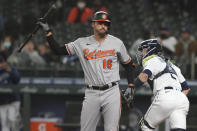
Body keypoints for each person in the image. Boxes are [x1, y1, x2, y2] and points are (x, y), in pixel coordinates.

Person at [38, 11, 136, 131]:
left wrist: (131, 85)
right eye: (100, 23)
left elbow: (129, 65)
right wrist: (48, 31)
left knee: (111, 129)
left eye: (106, 23)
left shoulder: (117, 43)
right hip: (92, 92)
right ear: (93, 24)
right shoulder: (81, 43)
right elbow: (58, 50)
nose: (103, 26)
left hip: (112, 91)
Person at [126, 39, 190, 131]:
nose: (140, 54)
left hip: (165, 95)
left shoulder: (153, 59)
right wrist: (175, 98)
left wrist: (131, 88)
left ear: (150, 50)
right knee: (178, 129)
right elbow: (186, 88)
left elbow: (143, 76)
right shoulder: (172, 65)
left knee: (143, 126)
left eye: (143, 50)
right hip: (181, 99)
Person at [0, 55, 22, 131]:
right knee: (4, 123)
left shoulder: (11, 68)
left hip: (13, 100)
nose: (1, 65)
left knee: (12, 120)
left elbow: (17, 80)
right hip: (2, 101)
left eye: (2, 62)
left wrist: (10, 71)